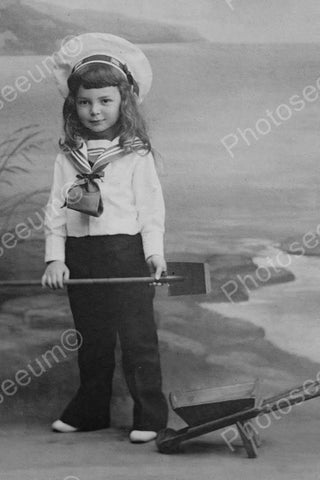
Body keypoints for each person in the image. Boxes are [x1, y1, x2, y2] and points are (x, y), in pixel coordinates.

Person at [41, 33, 168, 443]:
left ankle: (149, 414)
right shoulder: (68, 156)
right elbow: (56, 211)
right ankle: (91, 410)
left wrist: (153, 254)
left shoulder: (135, 154)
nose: (94, 111)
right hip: (82, 255)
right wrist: (55, 259)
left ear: (124, 101)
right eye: (84, 101)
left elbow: (151, 210)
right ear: (72, 104)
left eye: (105, 100)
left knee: (137, 338)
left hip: (125, 252)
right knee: (91, 339)